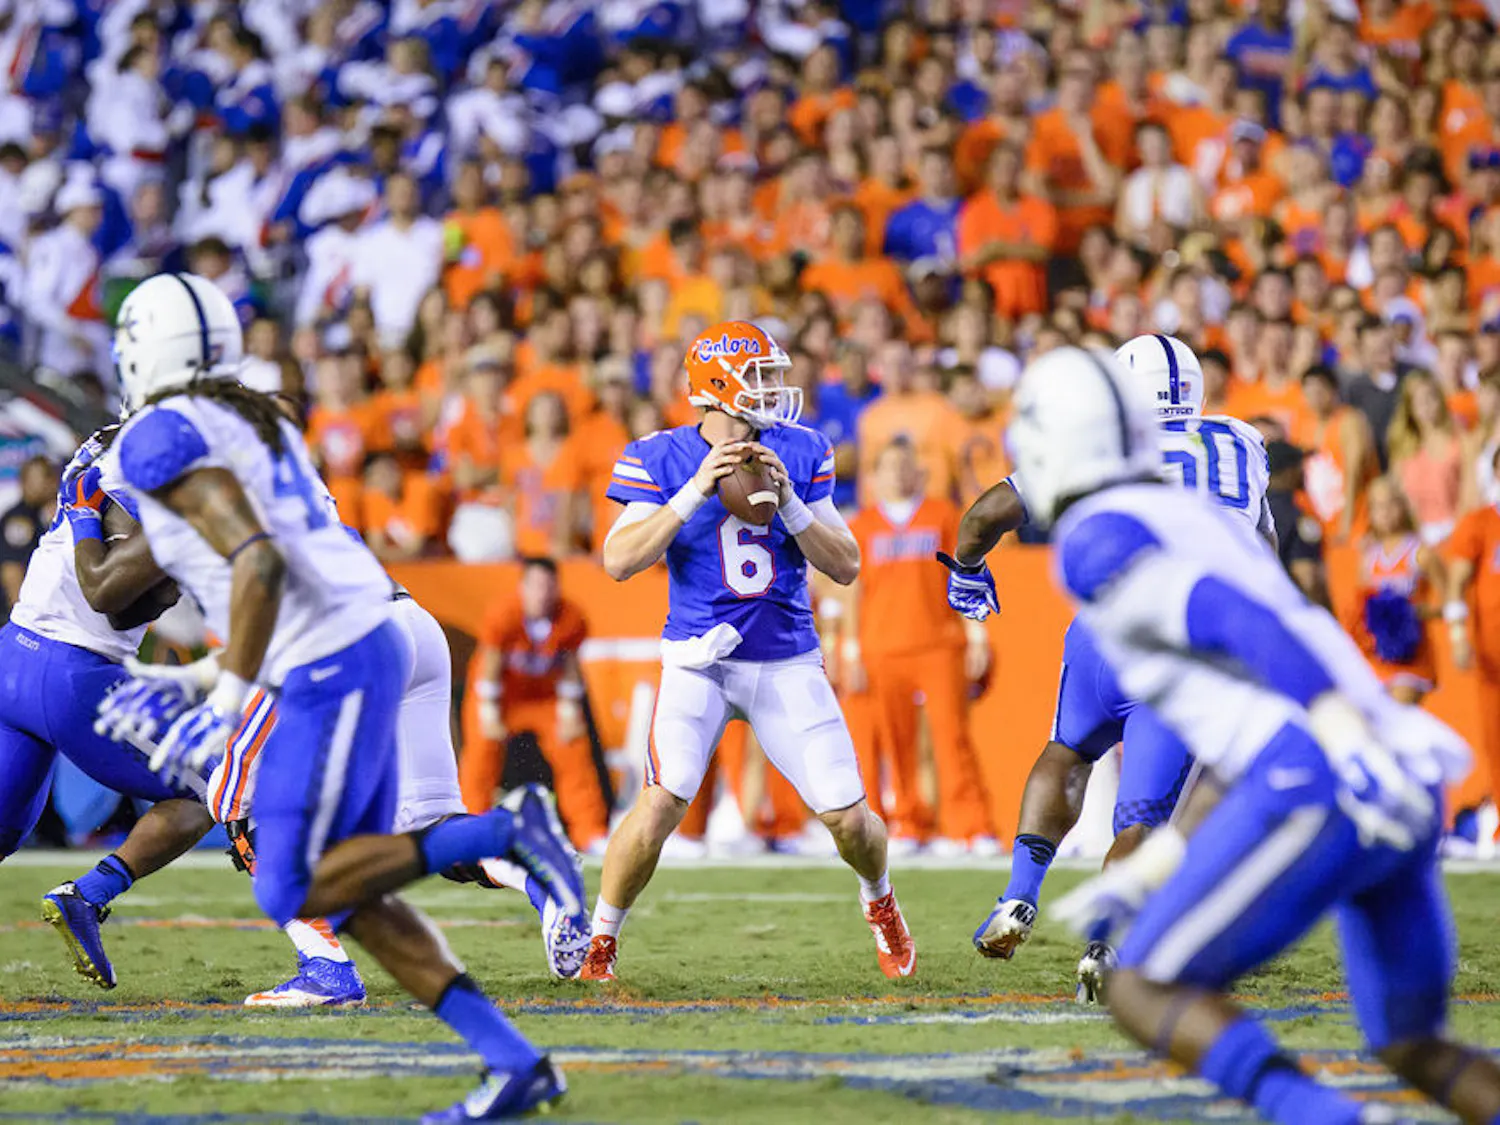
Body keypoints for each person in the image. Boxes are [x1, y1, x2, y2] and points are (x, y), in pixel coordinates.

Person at [94, 272, 584, 1123]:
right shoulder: (254, 414)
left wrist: (225, 698)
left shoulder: (160, 439)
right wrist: (205, 677)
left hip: (328, 653)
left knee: (280, 871)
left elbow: (257, 561)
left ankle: (509, 831)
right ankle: (514, 1062)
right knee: (343, 886)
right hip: (354, 632)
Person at [1011, 345, 1500, 1125]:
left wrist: (1335, 730)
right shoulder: (1207, 507)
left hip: (1325, 766)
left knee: (1140, 984)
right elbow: (1233, 727)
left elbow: (1235, 619)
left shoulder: (1098, 537)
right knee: (1412, 1042)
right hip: (1397, 760)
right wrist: (1165, 853)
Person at [944, 334, 1273, 1002]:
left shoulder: (1105, 437)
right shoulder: (1242, 443)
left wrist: (968, 572)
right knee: (1141, 821)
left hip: (1105, 628)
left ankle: (1018, 896)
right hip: (1185, 645)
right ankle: (1106, 943)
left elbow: (983, 515)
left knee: (1067, 750)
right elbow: (1263, 551)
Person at [582, 319, 913, 981]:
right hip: (698, 660)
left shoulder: (801, 448)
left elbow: (846, 564)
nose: (772, 387)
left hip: (785, 657)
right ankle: (600, 940)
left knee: (849, 820)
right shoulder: (661, 456)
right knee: (661, 801)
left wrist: (792, 504)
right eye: (758, 375)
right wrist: (694, 490)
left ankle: (879, 899)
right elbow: (618, 560)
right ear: (715, 385)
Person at [0, 426, 216, 990]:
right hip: (72, 675)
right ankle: (90, 894)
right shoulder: (171, 477)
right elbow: (108, 596)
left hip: (13, 654)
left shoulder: (104, 444)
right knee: (214, 788)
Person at [845, 438, 995, 853]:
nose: (897, 473)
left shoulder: (942, 515)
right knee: (897, 743)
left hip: (938, 643)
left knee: (953, 738)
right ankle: (910, 823)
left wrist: (976, 634)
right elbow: (853, 590)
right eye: (889, 466)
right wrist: (851, 648)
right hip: (882, 646)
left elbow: (965, 575)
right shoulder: (862, 525)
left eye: (904, 465)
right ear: (874, 476)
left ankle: (972, 826)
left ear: (919, 471)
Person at [463, 557, 608, 853]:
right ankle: (470, 829)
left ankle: (589, 831)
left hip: (544, 697)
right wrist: (488, 711)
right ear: (522, 587)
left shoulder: (570, 617)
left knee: (573, 747)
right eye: (536, 586)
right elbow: (490, 663)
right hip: (501, 695)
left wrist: (569, 710)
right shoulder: (503, 614)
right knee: (481, 751)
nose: (542, 593)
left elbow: (570, 666)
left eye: (548, 586)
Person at [1348, 477, 1446, 706]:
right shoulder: (1369, 558)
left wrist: (1416, 611)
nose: (1385, 513)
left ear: (1403, 506)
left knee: (1399, 711)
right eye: (1378, 506)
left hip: (1412, 656)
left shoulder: (1420, 553)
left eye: (1391, 504)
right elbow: (1362, 606)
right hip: (1378, 656)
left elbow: (1449, 602)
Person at [0, 455, 57, 617]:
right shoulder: (18, 519)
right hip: (28, 613)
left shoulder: (59, 513)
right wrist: (21, 618)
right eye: (26, 479)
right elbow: (12, 573)